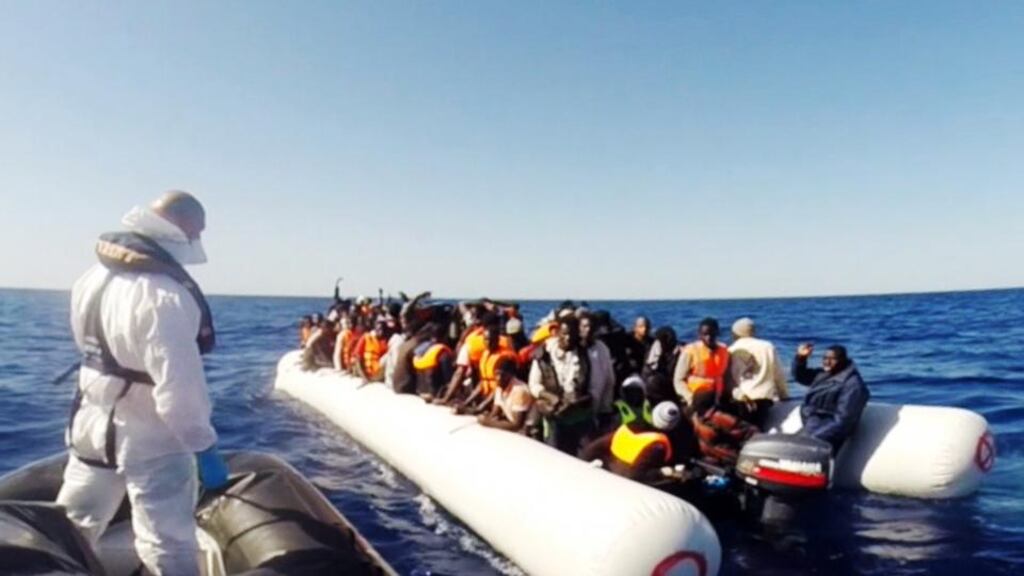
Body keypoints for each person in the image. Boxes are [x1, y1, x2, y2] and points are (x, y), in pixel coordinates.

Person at [57, 191, 227, 576]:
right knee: (168, 541)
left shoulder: (91, 279)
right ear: (183, 228)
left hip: (91, 428)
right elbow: (178, 393)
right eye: (198, 231)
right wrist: (203, 446)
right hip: (151, 439)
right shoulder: (165, 296)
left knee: (74, 524)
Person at [527, 316, 592, 455]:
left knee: (584, 458)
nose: (568, 338)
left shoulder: (585, 354)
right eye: (565, 334)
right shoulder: (544, 354)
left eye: (572, 334)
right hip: (554, 414)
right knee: (554, 454)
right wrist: (550, 397)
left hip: (579, 416)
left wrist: (576, 401)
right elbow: (534, 384)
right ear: (557, 333)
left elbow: (593, 388)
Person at [792, 343, 870, 454]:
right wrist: (801, 358)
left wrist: (813, 438)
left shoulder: (853, 385)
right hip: (812, 427)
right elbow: (801, 376)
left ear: (843, 360)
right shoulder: (824, 374)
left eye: (832, 359)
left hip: (828, 437)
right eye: (825, 358)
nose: (827, 362)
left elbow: (843, 421)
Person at [580, 401, 682, 481]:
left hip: (607, 471)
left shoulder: (628, 427)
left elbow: (591, 449)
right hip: (626, 483)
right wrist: (661, 473)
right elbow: (636, 475)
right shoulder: (657, 445)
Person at [726, 317, 789, 428]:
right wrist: (784, 395)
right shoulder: (767, 346)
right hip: (763, 399)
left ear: (735, 333)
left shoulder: (730, 350)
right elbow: (778, 374)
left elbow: (729, 379)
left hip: (741, 399)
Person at [674, 318, 730, 406]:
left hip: (717, 397)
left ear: (717, 333)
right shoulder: (691, 351)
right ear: (699, 335)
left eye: (712, 334)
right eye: (705, 334)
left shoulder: (724, 350)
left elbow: (725, 375)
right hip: (695, 398)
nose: (708, 337)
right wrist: (689, 397)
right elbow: (678, 380)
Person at [580, 313, 616, 432]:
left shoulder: (602, 349)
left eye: (591, 327)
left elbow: (609, 379)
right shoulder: (572, 348)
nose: (588, 330)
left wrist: (606, 408)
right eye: (584, 326)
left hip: (594, 404)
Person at [478, 358, 534, 433]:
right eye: (496, 374)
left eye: (502, 375)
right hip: (513, 427)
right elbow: (495, 413)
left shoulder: (519, 391)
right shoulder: (500, 386)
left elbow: (517, 425)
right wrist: (486, 418)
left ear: (510, 375)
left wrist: (488, 423)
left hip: (527, 432)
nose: (498, 378)